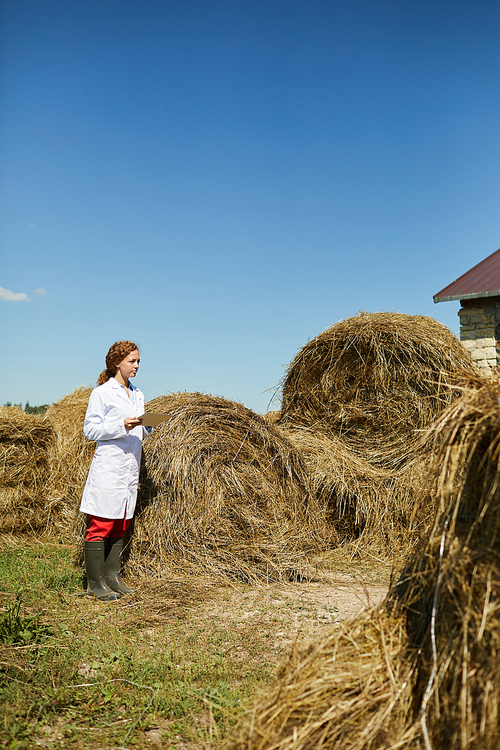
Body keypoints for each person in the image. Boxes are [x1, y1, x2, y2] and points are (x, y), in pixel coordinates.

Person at [80, 341, 152, 601]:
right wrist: (121, 424)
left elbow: (139, 429)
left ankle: (112, 577)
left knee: (121, 523)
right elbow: (91, 430)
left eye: (138, 361)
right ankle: (94, 584)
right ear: (116, 363)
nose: (136, 366)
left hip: (130, 467)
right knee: (101, 522)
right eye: (132, 361)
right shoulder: (101, 393)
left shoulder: (139, 393)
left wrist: (147, 425)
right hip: (109, 466)